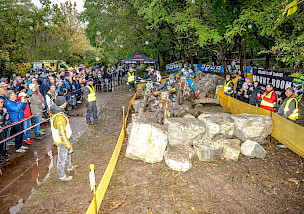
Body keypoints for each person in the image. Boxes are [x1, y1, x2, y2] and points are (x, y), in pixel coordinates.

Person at [50, 96, 76, 181]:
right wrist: (68, 145)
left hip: (64, 139)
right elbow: (62, 133)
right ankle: (62, 176)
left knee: (67, 154)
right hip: (61, 141)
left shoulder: (59, 113)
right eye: (65, 102)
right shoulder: (59, 117)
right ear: (62, 104)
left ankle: (69, 167)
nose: (66, 103)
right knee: (62, 158)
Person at [0, 98, 10, 164]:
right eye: (0, 102)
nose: (2, 103)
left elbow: (6, 118)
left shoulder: (2, 109)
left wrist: (6, 113)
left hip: (3, 127)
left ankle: (2, 155)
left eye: (2, 102)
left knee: (2, 142)